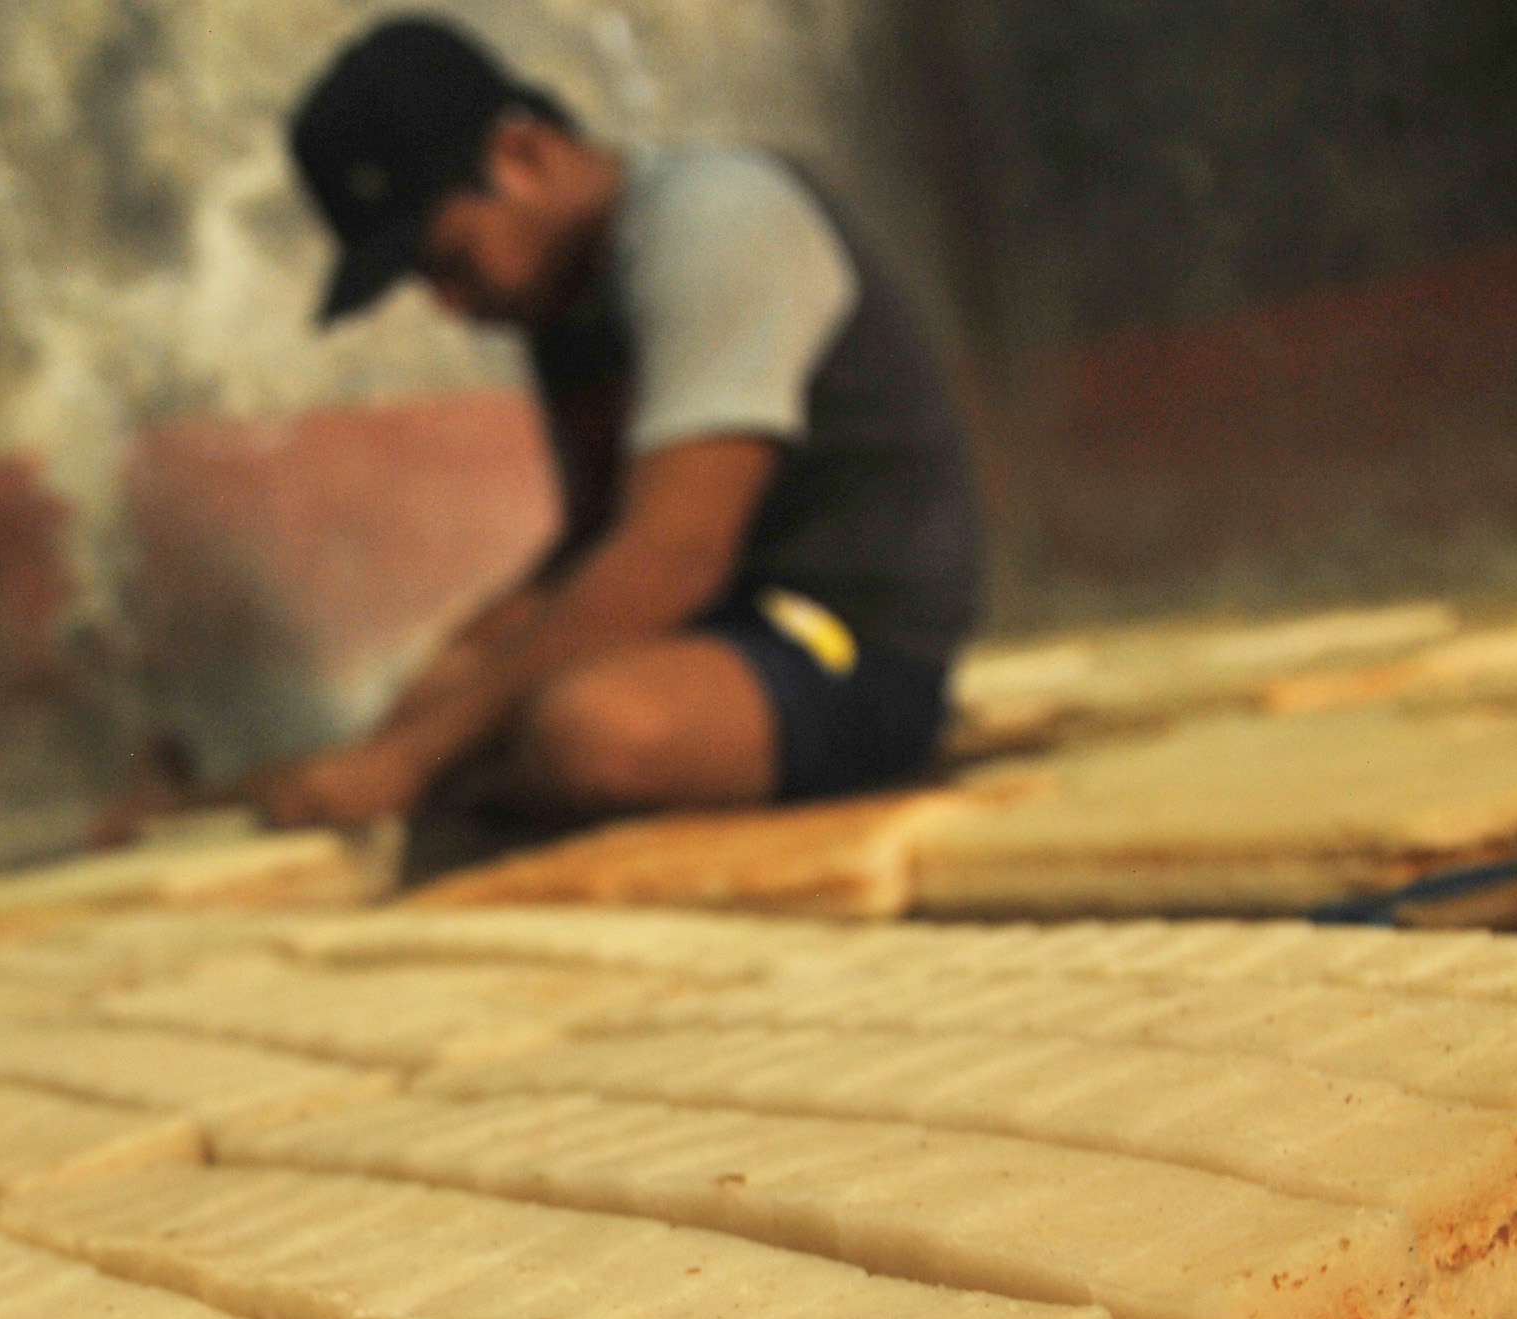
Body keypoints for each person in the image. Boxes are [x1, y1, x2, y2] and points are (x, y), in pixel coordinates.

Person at [103, 14, 981, 879]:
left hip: (848, 643)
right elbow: (596, 542)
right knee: (456, 683)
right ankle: (200, 808)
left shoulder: (718, 223)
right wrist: (426, 702)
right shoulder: (565, 295)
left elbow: (674, 555)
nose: (448, 306)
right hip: (727, 627)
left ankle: (456, 794)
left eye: (450, 260)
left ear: (523, 157)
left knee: (588, 731)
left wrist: (416, 758)